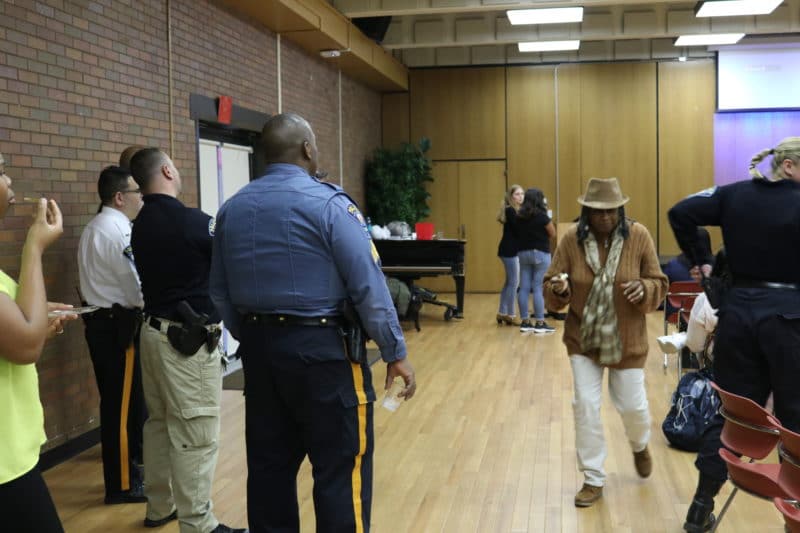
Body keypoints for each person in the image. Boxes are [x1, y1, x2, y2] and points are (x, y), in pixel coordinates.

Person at [209, 113, 417, 533]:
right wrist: (394, 351)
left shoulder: (232, 209)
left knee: (269, 473)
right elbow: (369, 287)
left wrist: (253, 335)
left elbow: (218, 291)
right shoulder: (329, 204)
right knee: (341, 470)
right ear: (306, 148)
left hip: (261, 357)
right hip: (324, 354)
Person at [668, 136, 800, 533]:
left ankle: (700, 506)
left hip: (738, 316)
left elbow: (681, 212)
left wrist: (702, 264)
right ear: (790, 167)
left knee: (736, 417)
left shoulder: (732, 195)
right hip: (789, 320)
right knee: (795, 423)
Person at [129, 148, 246, 533]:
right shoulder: (190, 221)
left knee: (160, 424)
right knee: (196, 433)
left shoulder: (140, 221)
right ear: (166, 170)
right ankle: (200, 524)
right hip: (186, 345)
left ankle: (160, 506)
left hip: (152, 334)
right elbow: (234, 256)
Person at [543, 177, 667, 508]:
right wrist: (559, 290)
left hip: (628, 340)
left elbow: (659, 281)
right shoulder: (570, 240)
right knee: (584, 405)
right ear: (585, 212)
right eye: (597, 212)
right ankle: (593, 477)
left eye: (611, 211)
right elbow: (552, 288)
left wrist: (645, 289)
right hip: (583, 338)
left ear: (621, 210)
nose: (605, 218)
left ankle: (639, 444)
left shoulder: (638, 236)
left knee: (633, 407)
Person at [0, 152, 77, 532]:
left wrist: (29, 319)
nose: (9, 182)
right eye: (0, 172)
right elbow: (26, 346)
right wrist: (34, 245)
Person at [77, 165, 147, 504]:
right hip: (117, 326)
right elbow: (133, 288)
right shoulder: (116, 231)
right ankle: (120, 485)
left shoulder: (97, 226)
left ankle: (130, 472)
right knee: (121, 410)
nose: (141, 197)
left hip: (102, 325)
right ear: (120, 198)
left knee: (122, 404)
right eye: (136, 191)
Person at [513, 188, 556, 333]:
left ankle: (525, 322)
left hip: (523, 253)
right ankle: (540, 322)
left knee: (524, 287)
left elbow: (517, 233)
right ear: (539, 199)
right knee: (538, 287)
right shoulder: (542, 216)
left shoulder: (519, 216)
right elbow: (553, 233)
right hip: (540, 253)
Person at [496, 184, 523, 325]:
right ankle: (511, 315)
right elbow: (519, 230)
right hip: (510, 251)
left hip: (507, 250)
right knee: (514, 283)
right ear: (511, 196)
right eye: (517, 194)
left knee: (509, 282)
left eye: (522, 194)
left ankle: (501, 312)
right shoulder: (511, 211)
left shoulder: (513, 210)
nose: (521, 197)